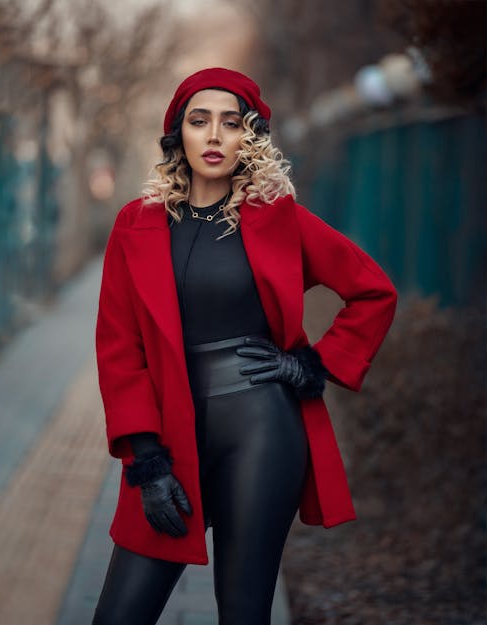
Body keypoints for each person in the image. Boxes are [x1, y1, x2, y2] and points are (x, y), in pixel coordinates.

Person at [92, 67, 398, 625]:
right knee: (120, 613)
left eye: (230, 124)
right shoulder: (135, 225)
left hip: (262, 427)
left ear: (248, 136)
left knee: (243, 611)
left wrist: (312, 364)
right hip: (170, 437)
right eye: (199, 121)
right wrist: (147, 462)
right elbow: (119, 350)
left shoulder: (280, 220)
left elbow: (373, 291)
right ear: (177, 134)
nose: (213, 137)